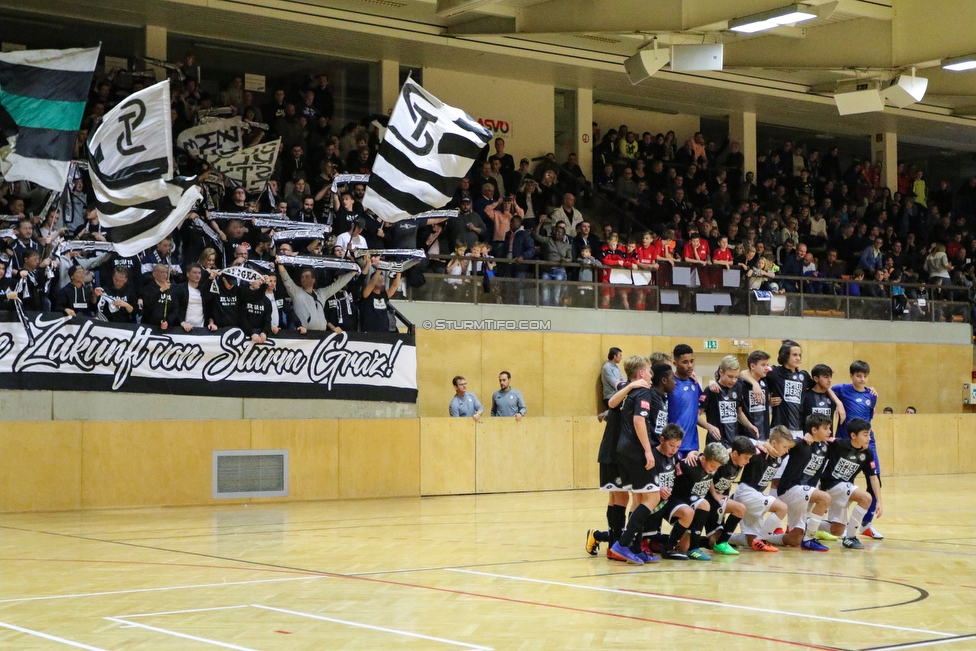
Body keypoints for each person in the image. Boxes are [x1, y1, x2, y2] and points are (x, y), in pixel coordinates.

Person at [831, 360, 884, 539]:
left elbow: (869, 418)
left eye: (865, 376)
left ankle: (866, 523)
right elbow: (827, 389)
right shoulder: (842, 389)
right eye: (858, 376)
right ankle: (841, 523)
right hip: (846, 443)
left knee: (875, 479)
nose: (862, 379)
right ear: (851, 376)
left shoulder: (871, 395)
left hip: (868, 443)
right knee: (843, 482)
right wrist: (839, 403)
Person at [766, 413, 833, 551]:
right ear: (814, 430)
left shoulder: (825, 447)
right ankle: (810, 539)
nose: (829, 431)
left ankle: (762, 538)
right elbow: (782, 443)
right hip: (790, 489)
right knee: (825, 498)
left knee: (794, 539)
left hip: (803, 493)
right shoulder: (801, 443)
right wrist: (802, 437)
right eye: (826, 428)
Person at [729, 427, 795, 552]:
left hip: (756, 495)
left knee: (750, 540)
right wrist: (761, 443)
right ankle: (761, 540)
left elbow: (798, 442)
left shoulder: (782, 454)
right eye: (785, 447)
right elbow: (740, 440)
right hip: (747, 492)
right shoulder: (759, 452)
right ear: (774, 443)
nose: (787, 450)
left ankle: (726, 538)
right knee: (782, 508)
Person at [662, 442, 731, 561]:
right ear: (703, 459)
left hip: (691, 506)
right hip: (674, 503)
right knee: (704, 504)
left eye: (716, 468)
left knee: (683, 549)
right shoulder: (689, 465)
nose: (714, 470)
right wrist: (689, 454)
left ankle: (692, 545)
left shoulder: (708, 463)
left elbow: (708, 479)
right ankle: (692, 547)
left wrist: (714, 494)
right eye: (713, 466)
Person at [820, 418, 882, 549]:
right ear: (853, 435)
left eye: (869, 435)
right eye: (865, 435)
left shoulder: (868, 453)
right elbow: (821, 439)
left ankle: (808, 523)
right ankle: (850, 538)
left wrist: (879, 502)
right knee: (865, 498)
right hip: (830, 485)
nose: (868, 439)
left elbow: (873, 478)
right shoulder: (838, 444)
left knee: (837, 530)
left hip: (843, 489)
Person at [703, 435, 756, 556]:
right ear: (736, 453)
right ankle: (722, 542)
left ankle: (720, 542)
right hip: (708, 498)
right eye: (746, 458)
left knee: (713, 543)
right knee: (740, 508)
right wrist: (714, 494)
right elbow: (708, 474)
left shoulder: (738, 462)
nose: (748, 461)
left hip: (718, 500)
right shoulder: (723, 461)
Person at [699, 355, 748, 448]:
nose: (733, 380)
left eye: (736, 377)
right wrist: (709, 427)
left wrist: (750, 426)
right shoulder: (711, 390)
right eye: (730, 376)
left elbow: (739, 413)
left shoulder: (738, 387)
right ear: (721, 372)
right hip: (716, 442)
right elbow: (696, 416)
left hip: (733, 441)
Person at [668, 344, 703, 459]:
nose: (690, 365)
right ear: (675, 363)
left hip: (692, 445)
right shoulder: (669, 384)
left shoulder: (695, 384)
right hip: (674, 445)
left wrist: (709, 427)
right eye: (685, 362)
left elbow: (695, 413)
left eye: (692, 361)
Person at [360, 257, 401, 333]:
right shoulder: (367, 294)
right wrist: (379, 270)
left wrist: (399, 271)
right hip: (369, 332)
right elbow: (371, 285)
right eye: (378, 279)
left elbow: (395, 286)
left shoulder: (384, 295)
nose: (381, 281)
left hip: (384, 331)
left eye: (382, 279)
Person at [738, 350, 771, 440]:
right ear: (752, 366)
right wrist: (754, 384)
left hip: (764, 434)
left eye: (767, 365)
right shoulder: (740, 384)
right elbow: (742, 373)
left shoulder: (766, 380)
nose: (767, 368)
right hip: (746, 435)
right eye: (763, 365)